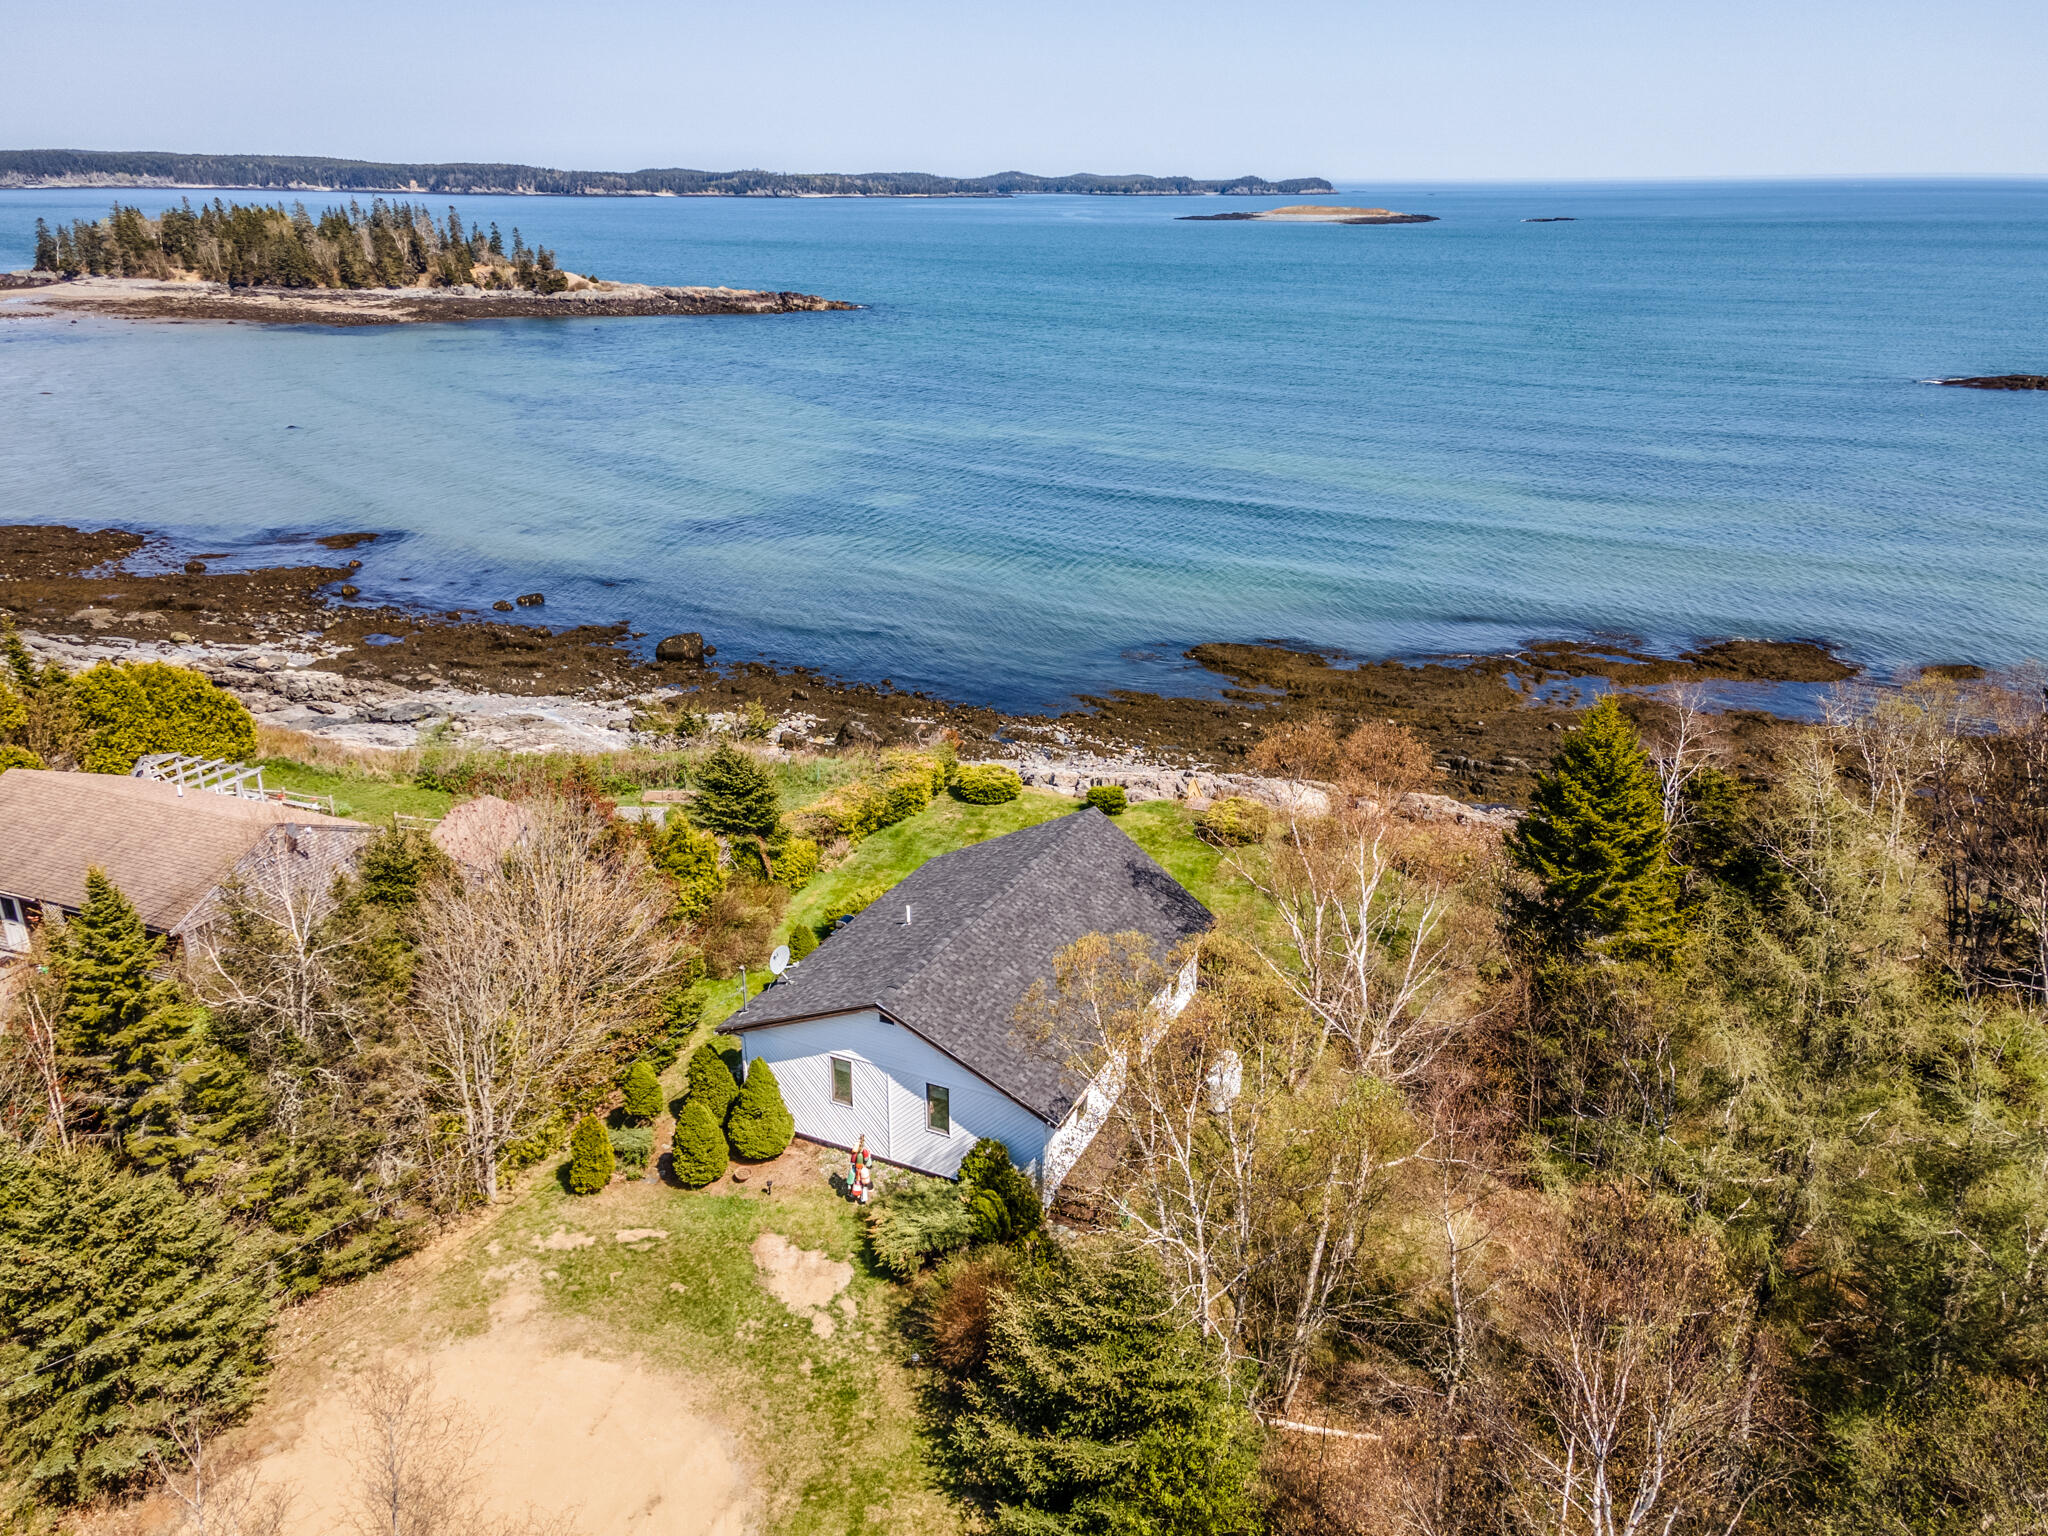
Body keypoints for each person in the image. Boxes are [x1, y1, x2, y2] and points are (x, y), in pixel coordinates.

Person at [849, 1135, 875, 1205]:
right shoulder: (860, 1153)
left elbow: (853, 1162)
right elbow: (867, 1162)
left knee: (858, 1182)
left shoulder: (859, 1153)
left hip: (859, 1170)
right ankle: (861, 1197)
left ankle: (859, 1196)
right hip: (860, 1169)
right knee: (861, 1184)